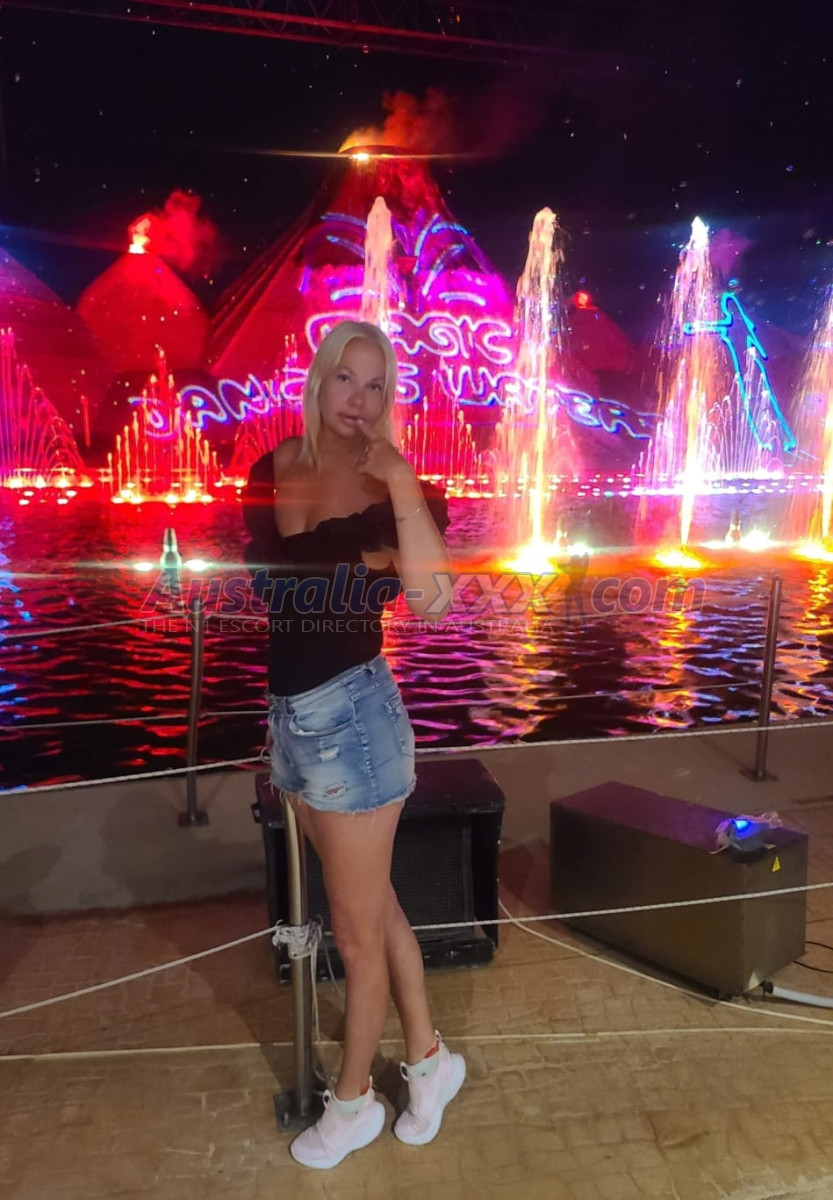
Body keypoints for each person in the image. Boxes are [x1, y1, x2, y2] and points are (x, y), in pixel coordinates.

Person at [241, 320, 466, 1170]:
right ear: (319, 379)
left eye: (377, 386)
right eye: (346, 378)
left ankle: (352, 1104)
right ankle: (430, 1062)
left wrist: (401, 483)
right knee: (376, 911)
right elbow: (271, 586)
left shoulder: (396, 486)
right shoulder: (270, 468)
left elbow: (433, 599)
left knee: (355, 930)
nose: (359, 399)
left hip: (354, 726)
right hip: (291, 718)